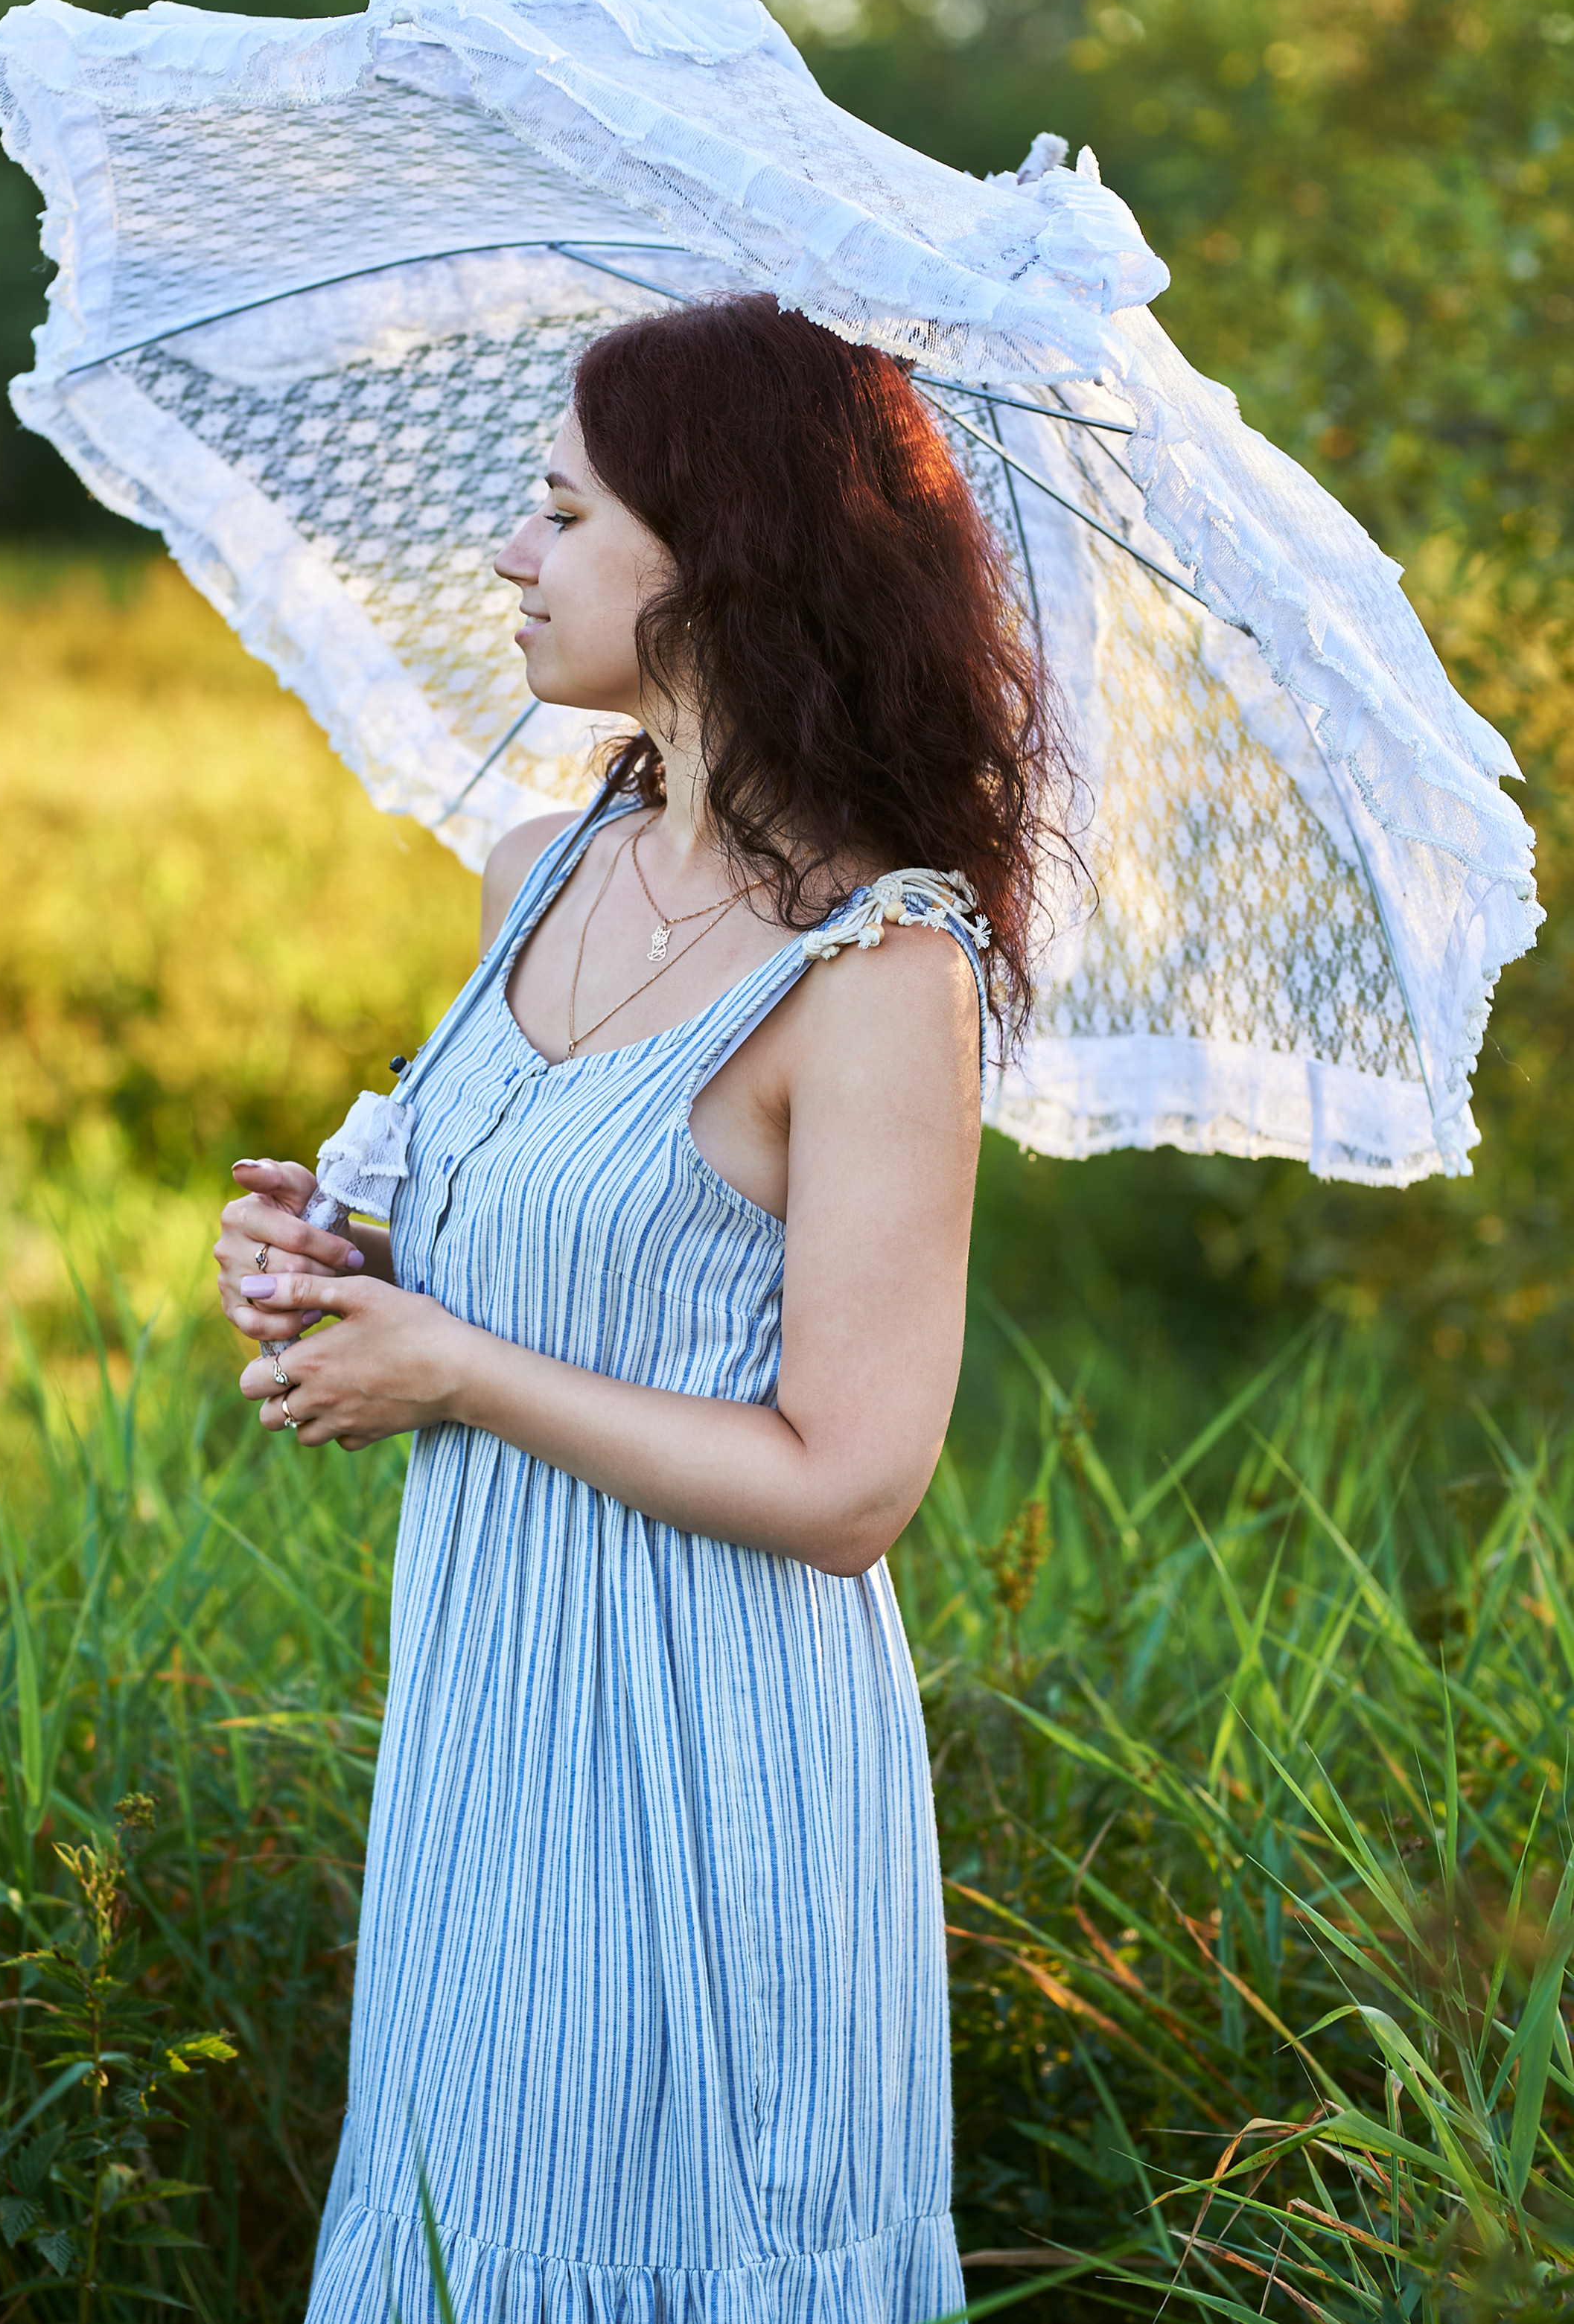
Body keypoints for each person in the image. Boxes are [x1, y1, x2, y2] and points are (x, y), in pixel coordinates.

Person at [212, 294, 1051, 2321]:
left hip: (714, 1765)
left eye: (564, 509)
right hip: (493, 1725)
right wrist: (342, 1268)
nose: (512, 553)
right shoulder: (537, 860)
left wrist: (458, 1365)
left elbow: (853, 1478)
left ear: (722, 561)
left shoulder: (878, 970)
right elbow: (561, 1265)